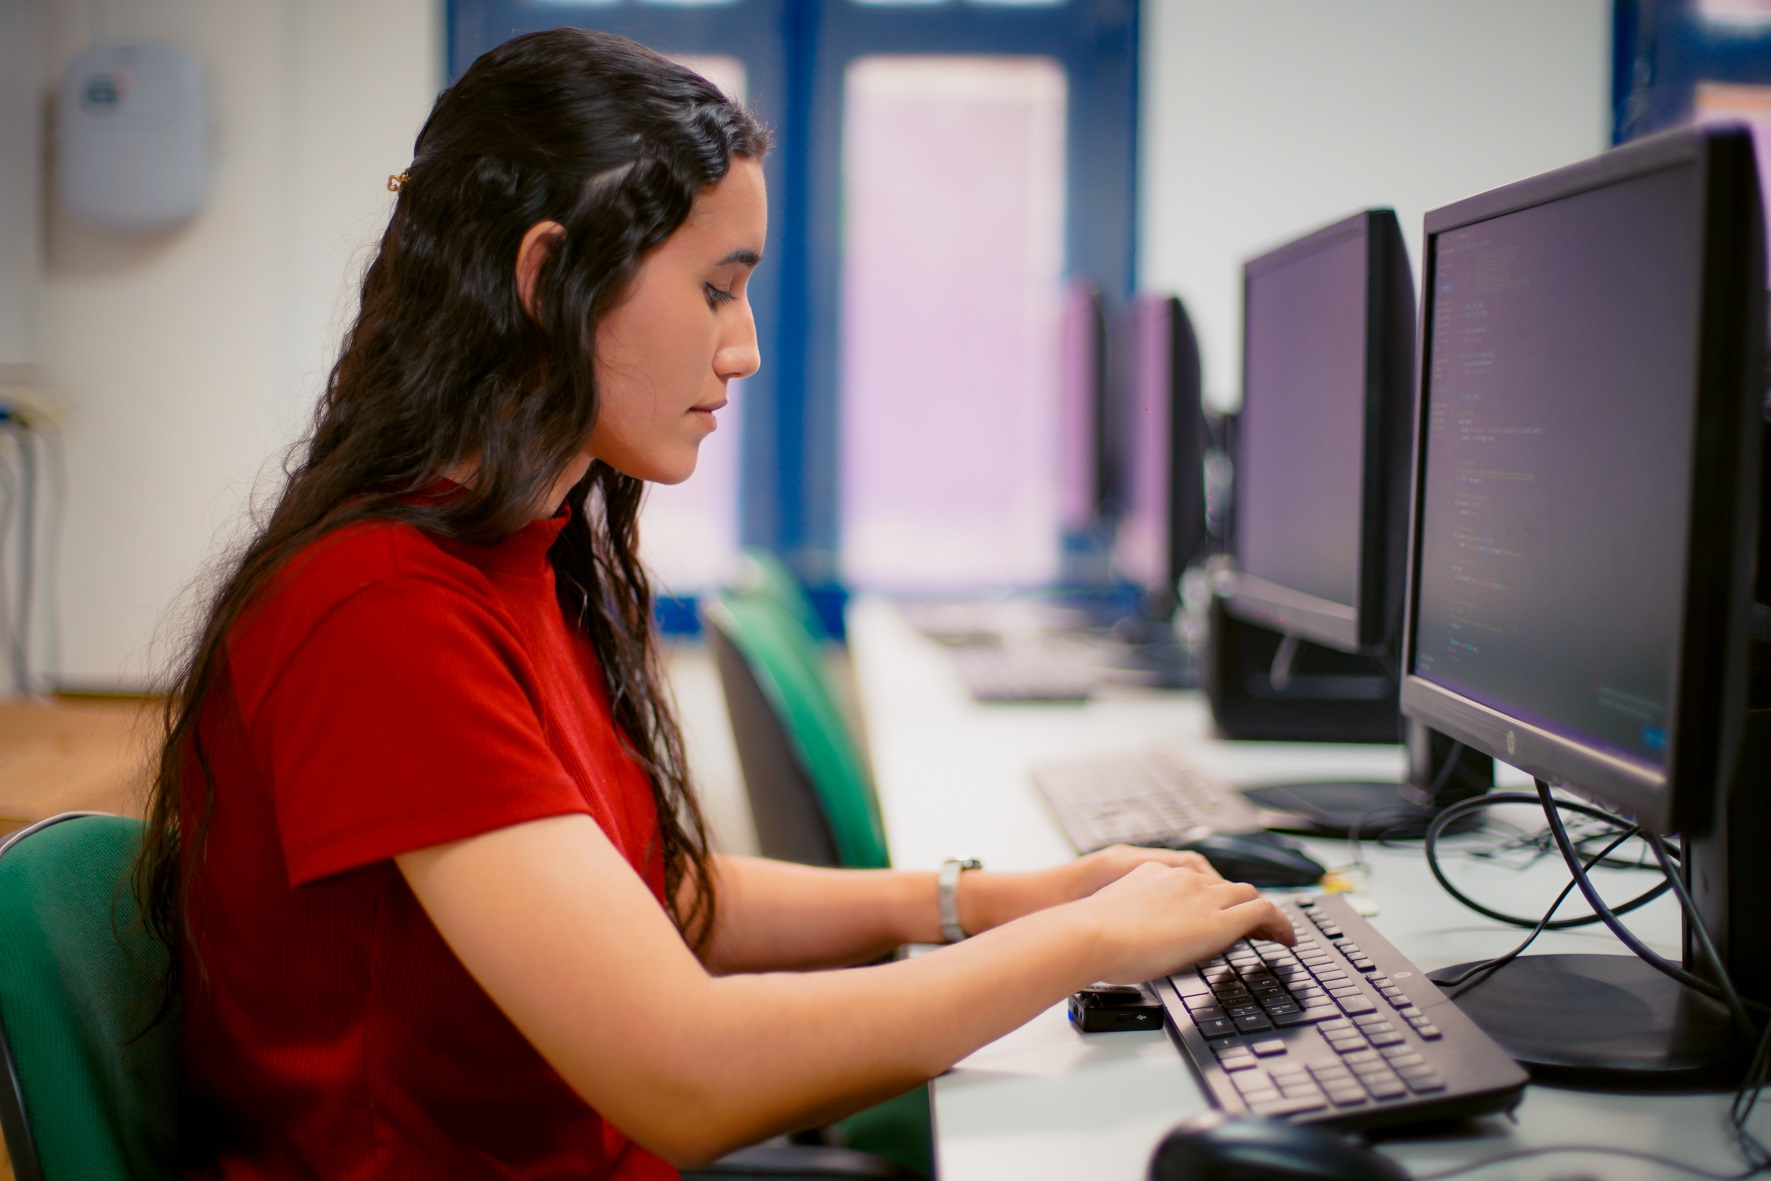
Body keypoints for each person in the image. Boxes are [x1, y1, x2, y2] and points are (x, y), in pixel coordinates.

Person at [134, 26, 1292, 1181]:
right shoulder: (381, 613)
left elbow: (649, 890)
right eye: (714, 289)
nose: (741, 350)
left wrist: (998, 898)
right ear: (546, 280)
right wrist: (1084, 941)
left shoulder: (514, 557)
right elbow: (688, 1078)